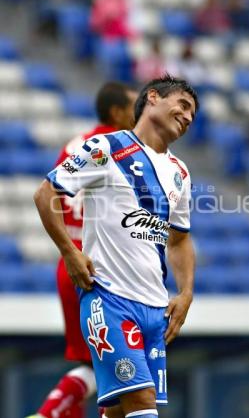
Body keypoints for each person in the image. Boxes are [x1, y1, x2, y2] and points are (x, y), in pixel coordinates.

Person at [34, 74, 198, 418]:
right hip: (110, 299)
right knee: (143, 403)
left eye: (192, 114)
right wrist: (70, 251)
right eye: (182, 105)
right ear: (152, 97)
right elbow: (45, 194)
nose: (187, 116)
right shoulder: (106, 148)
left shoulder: (180, 172)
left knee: (120, 411)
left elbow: (180, 239)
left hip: (155, 310)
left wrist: (185, 293)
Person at [27, 82, 137, 418]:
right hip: (100, 265)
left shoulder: (76, 145)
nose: (140, 113)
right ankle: (49, 413)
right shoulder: (124, 150)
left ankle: (57, 411)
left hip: (70, 263)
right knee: (123, 369)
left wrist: (67, 250)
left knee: (92, 362)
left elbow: (50, 195)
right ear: (116, 112)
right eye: (134, 106)